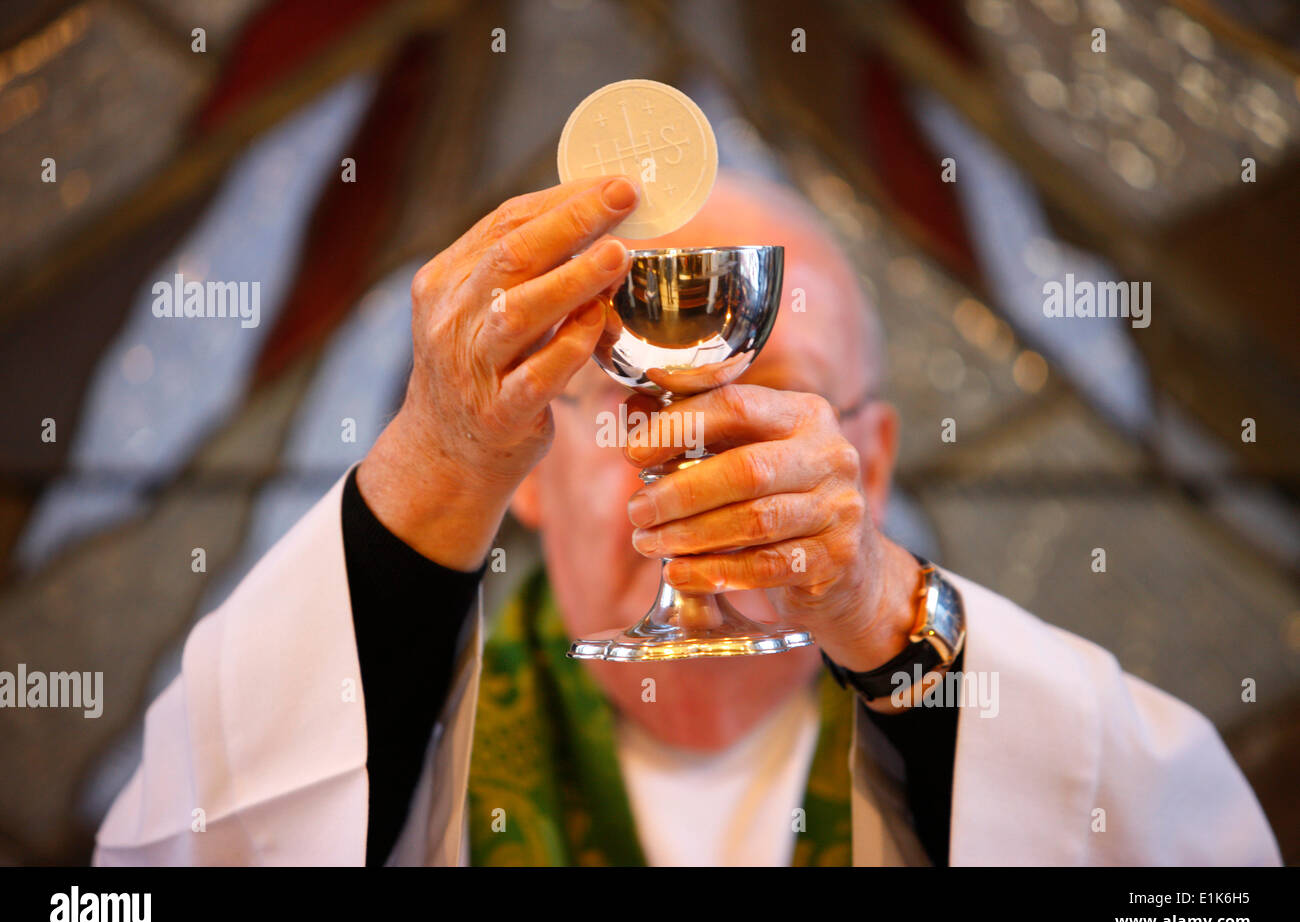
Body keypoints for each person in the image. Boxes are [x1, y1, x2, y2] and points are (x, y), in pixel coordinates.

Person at [94, 171, 1280, 866]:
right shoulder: (401, 737)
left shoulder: (982, 738)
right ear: (531, 469)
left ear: (867, 460)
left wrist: (880, 606)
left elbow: (1194, 868)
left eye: (779, 390)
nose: (695, 441)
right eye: (629, 397)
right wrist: (432, 459)